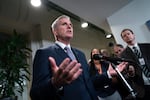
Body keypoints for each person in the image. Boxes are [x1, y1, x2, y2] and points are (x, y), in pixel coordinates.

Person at [30, 15, 128, 100]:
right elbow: (35, 94)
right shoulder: (44, 53)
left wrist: (108, 74)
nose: (69, 26)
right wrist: (54, 84)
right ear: (54, 31)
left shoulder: (80, 54)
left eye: (71, 24)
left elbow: (89, 82)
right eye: (64, 24)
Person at [120, 28, 150, 100]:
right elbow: (126, 74)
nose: (127, 36)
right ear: (123, 39)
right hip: (143, 86)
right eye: (124, 36)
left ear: (133, 35)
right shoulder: (123, 55)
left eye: (128, 34)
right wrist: (131, 73)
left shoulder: (148, 46)